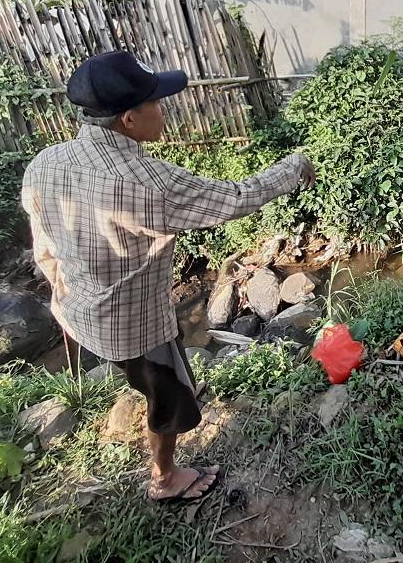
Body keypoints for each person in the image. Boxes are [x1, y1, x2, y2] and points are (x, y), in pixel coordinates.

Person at [21, 50, 315, 503]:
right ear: (129, 119)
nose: (163, 108)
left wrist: (67, 292)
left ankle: (158, 424)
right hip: (133, 324)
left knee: (147, 378)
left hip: (77, 310)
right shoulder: (144, 182)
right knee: (171, 401)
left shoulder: (46, 162)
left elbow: (43, 247)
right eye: (155, 102)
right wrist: (294, 168)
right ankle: (165, 479)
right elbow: (235, 198)